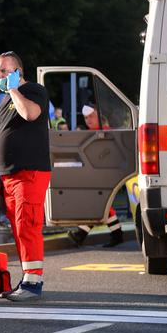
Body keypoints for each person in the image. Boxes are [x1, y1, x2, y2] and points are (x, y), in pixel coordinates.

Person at [0, 51, 51, 301]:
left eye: (4, 71)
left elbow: (30, 114)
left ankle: (33, 283)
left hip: (29, 171)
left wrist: (15, 90)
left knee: (28, 224)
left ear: (18, 72)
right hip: (10, 174)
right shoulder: (5, 100)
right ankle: (28, 277)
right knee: (18, 226)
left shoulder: (33, 91)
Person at [67, 104, 123, 248]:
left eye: (91, 116)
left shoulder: (107, 132)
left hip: (106, 173)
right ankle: (116, 235)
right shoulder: (90, 132)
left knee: (99, 204)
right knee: (102, 205)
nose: (88, 120)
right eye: (86, 118)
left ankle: (81, 234)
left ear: (98, 115)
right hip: (97, 174)